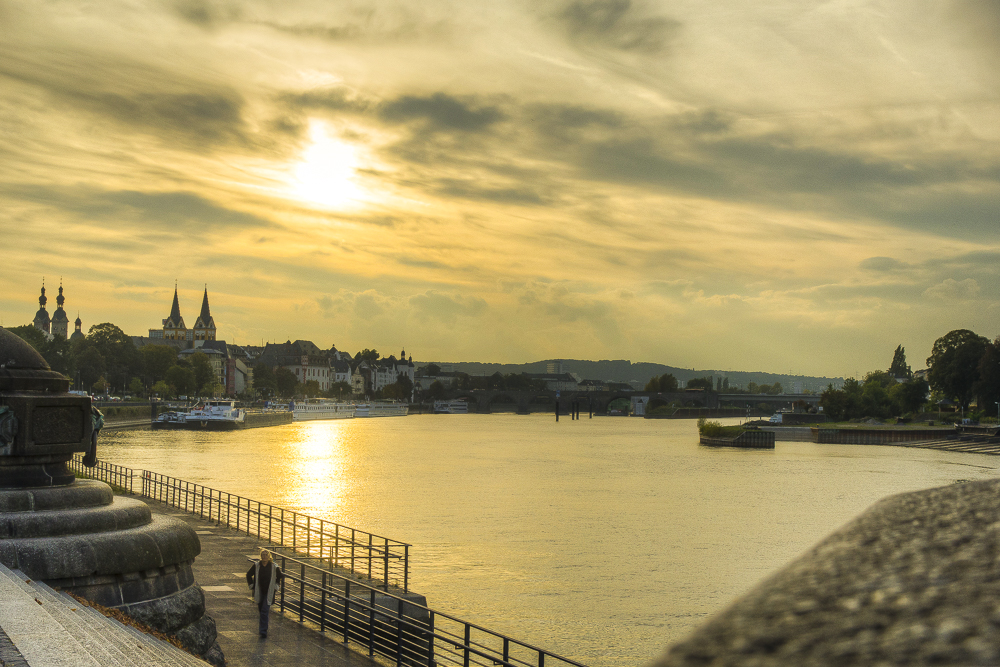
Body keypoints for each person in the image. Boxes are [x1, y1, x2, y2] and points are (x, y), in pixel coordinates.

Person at [246, 549, 283, 638]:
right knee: (261, 610)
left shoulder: (274, 566)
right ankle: (263, 627)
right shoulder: (257, 565)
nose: (265, 556)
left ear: (269, 556)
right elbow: (248, 575)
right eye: (263, 554)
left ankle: (263, 631)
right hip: (259, 590)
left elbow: (280, 576)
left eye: (266, 554)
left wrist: (276, 585)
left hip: (269, 591)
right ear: (261, 556)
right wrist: (252, 585)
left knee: (264, 611)